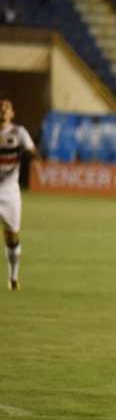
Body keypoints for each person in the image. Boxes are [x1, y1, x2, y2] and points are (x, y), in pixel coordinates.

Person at [0, 100, 39, 290]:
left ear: (12, 113)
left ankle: (13, 278)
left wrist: (33, 155)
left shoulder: (19, 132)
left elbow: (31, 150)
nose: (2, 110)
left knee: (12, 237)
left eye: (6, 108)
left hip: (10, 193)